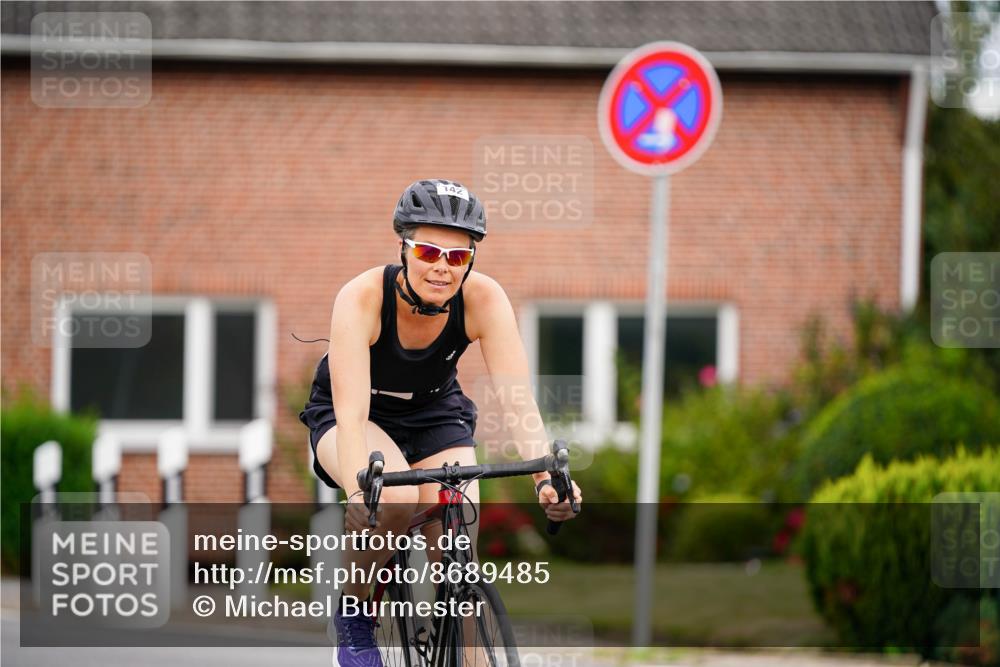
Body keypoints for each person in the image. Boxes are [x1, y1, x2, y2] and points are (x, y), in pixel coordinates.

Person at [299, 178, 583, 667]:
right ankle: (354, 615)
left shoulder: (484, 299)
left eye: (457, 257)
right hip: (356, 411)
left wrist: (546, 479)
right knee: (392, 501)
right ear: (404, 248)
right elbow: (351, 416)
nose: (441, 267)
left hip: (435, 412)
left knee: (458, 545)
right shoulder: (362, 297)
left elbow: (518, 402)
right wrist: (358, 492)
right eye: (429, 251)